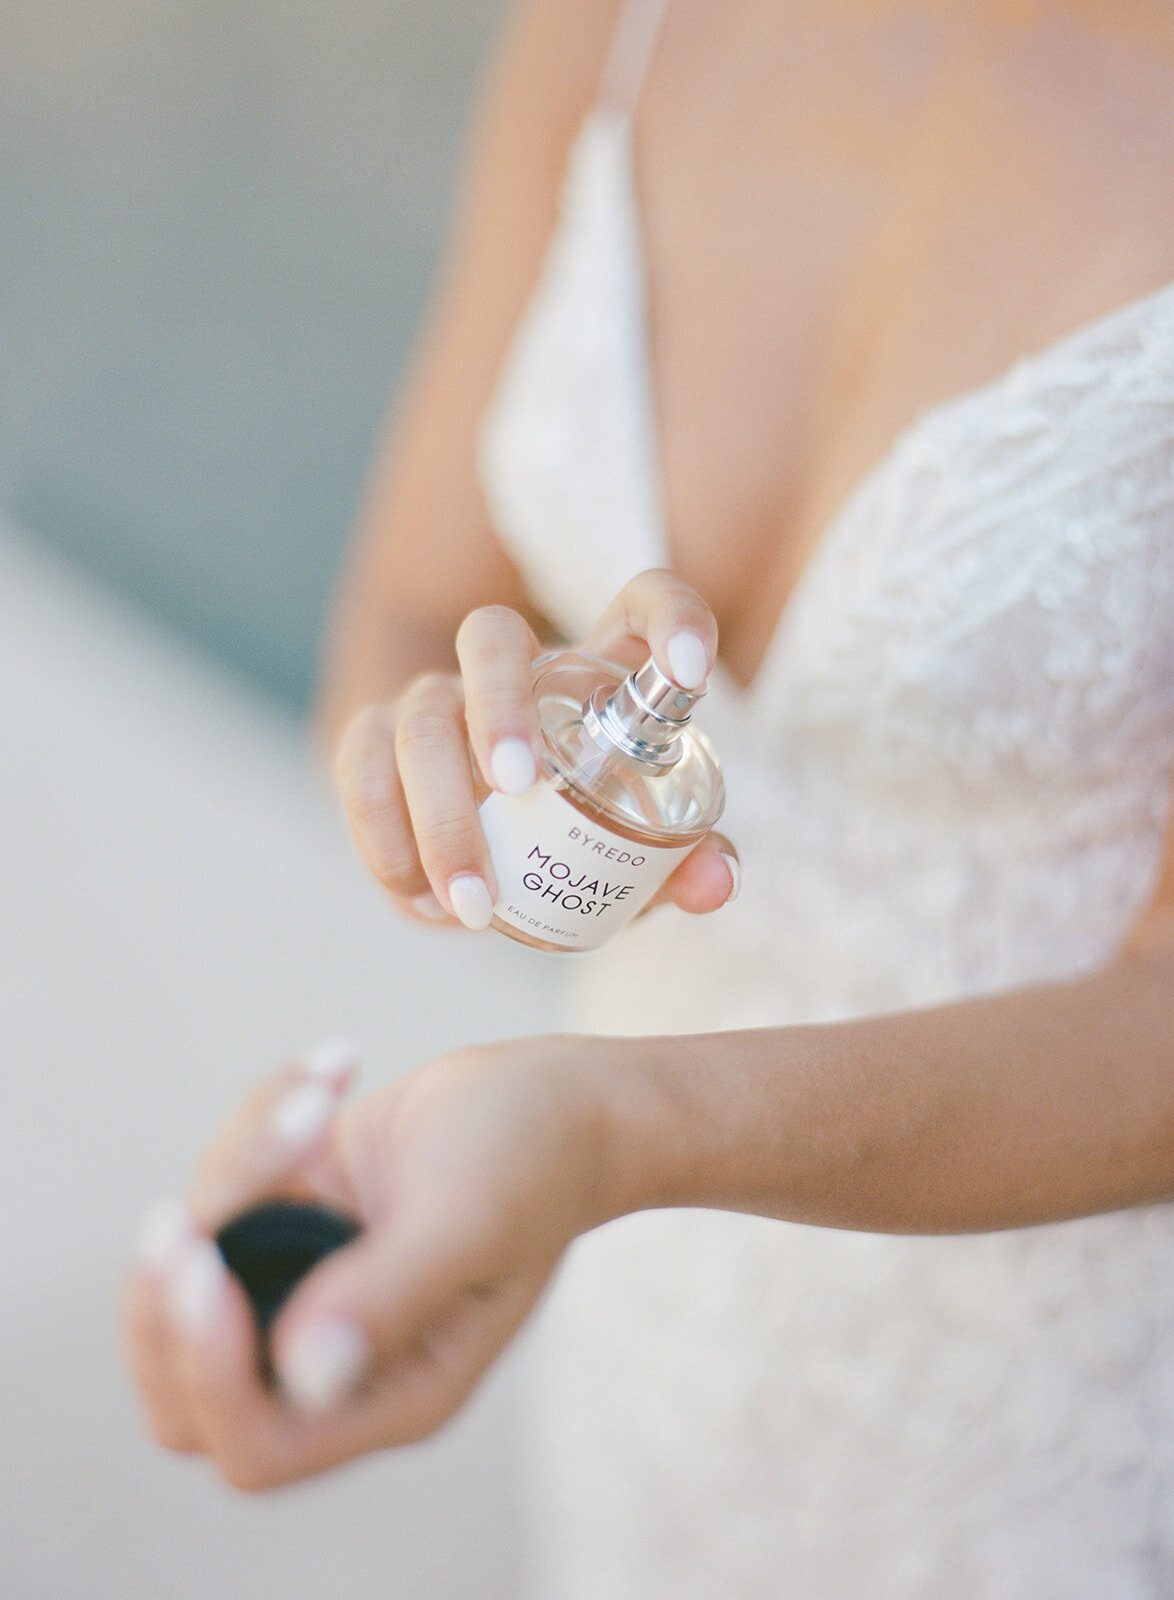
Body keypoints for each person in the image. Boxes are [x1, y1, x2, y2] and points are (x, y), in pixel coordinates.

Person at [126, 0, 1174, 1593]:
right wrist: (459, 762)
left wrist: (623, 1127)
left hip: (1041, 1402)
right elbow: (409, 613)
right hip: (619, 1268)